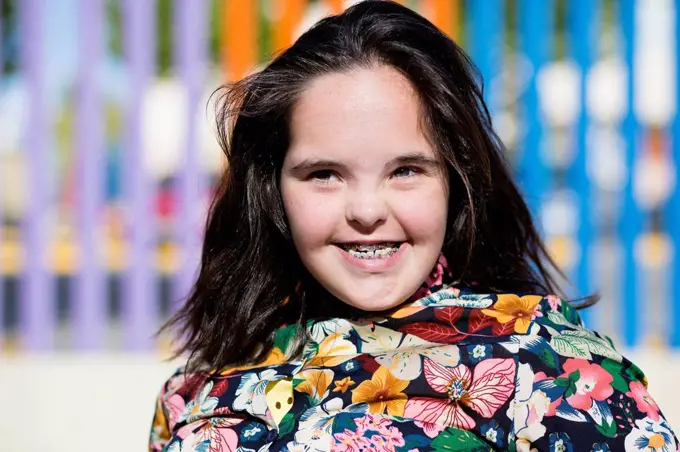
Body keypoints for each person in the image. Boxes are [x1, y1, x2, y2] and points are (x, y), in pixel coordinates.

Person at [148, 1, 677, 450]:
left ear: (456, 180)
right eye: (324, 174)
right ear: (272, 190)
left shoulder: (562, 378)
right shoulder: (197, 391)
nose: (367, 210)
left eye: (405, 171)